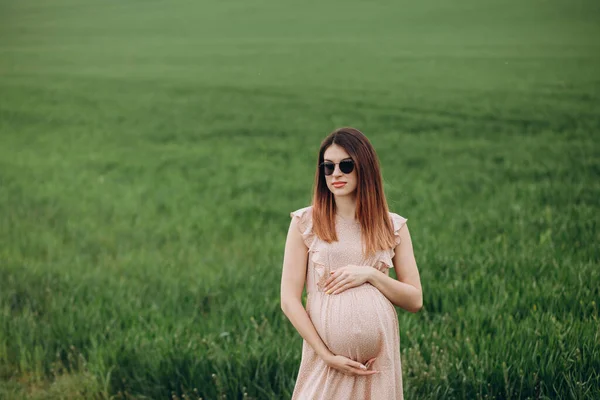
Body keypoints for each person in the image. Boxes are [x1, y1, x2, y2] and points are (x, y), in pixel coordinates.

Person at [280, 127, 423, 399]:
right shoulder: (306, 222)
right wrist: (326, 355)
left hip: (377, 367)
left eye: (346, 165)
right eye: (328, 166)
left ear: (364, 168)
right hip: (326, 362)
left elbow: (415, 300)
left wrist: (371, 274)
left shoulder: (392, 226)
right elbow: (288, 299)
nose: (336, 174)